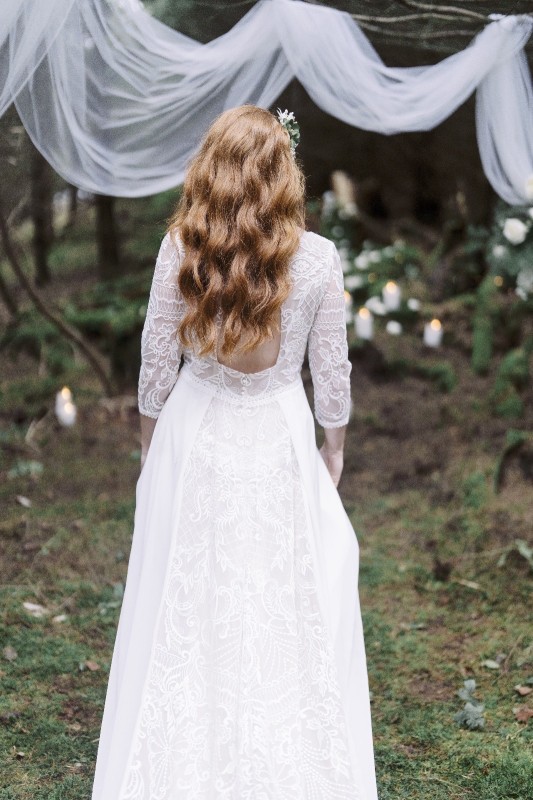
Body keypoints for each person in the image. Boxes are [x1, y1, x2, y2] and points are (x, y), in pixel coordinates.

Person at [91, 104, 378, 800]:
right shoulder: (317, 258)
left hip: (198, 428)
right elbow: (330, 375)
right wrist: (331, 450)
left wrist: (153, 451)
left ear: (211, 170)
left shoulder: (182, 249)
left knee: (187, 596)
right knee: (282, 591)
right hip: (280, 431)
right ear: (286, 173)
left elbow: (156, 366)